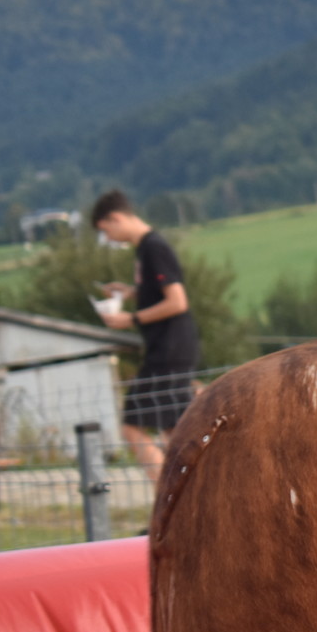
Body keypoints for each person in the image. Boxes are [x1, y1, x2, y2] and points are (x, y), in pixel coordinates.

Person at [90, 190, 201, 481]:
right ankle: (192, 490)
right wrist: (131, 292)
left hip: (168, 349)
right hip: (170, 347)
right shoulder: (144, 249)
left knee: (132, 425)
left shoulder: (154, 247)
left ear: (115, 218)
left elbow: (177, 302)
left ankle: (166, 496)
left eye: (105, 231)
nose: (108, 238)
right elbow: (158, 292)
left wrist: (131, 318)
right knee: (174, 430)